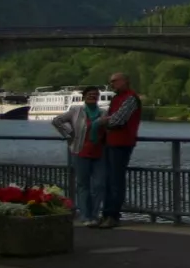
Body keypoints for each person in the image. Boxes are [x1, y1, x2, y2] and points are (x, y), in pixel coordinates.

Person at [51, 86, 107, 226]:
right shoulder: (76, 111)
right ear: (84, 96)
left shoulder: (103, 112)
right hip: (80, 151)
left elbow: (109, 129)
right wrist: (69, 134)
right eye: (90, 94)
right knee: (83, 185)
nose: (93, 97)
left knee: (99, 185)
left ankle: (94, 214)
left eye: (95, 95)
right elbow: (57, 121)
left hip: (99, 153)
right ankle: (85, 215)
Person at [98, 71, 142, 229]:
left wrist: (104, 121)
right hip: (110, 142)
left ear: (125, 81)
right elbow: (113, 118)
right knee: (108, 180)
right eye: (111, 82)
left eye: (115, 81)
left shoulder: (130, 98)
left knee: (116, 180)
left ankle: (113, 215)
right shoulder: (116, 98)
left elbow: (118, 120)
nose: (112, 84)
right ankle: (106, 214)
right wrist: (107, 121)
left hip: (122, 143)